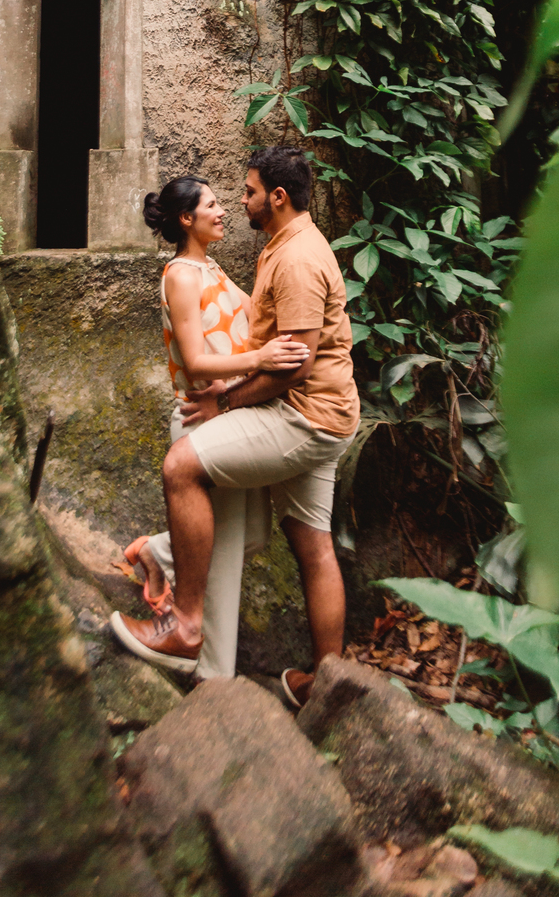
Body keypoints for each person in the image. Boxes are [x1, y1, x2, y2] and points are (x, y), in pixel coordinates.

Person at [111, 146, 360, 707]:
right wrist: (243, 377)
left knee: (207, 496)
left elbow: (287, 366)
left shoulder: (291, 258)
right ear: (186, 220)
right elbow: (243, 349)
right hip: (293, 411)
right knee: (308, 543)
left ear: (276, 197)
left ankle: (184, 614)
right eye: (219, 201)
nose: (235, 204)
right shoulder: (266, 251)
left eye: (244, 193)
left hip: (300, 416)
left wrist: (227, 401)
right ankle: (320, 685)